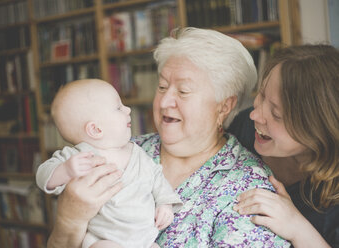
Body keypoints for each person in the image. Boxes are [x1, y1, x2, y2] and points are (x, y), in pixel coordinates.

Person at [46, 27, 292, 247]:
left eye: (183, 91)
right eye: (162, 86)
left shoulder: (248, 188)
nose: (164, 101)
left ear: (224, 106)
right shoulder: (125, 150)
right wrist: (70, 219)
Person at [36, 79, 183, 248]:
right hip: (106, 240)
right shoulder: (79, 156)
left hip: (146, 240)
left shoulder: (138, 152)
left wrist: (165, 203)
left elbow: (157, 178)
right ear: (96, 129)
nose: (128, 109)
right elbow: (42, 175)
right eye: (118, 107)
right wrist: (66, 170)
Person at [230, 44, 339, 247]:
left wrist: (298, 228)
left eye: (276, 115)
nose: (255, 115)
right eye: (261, 95)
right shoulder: (244, 128)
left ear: (316, 131)